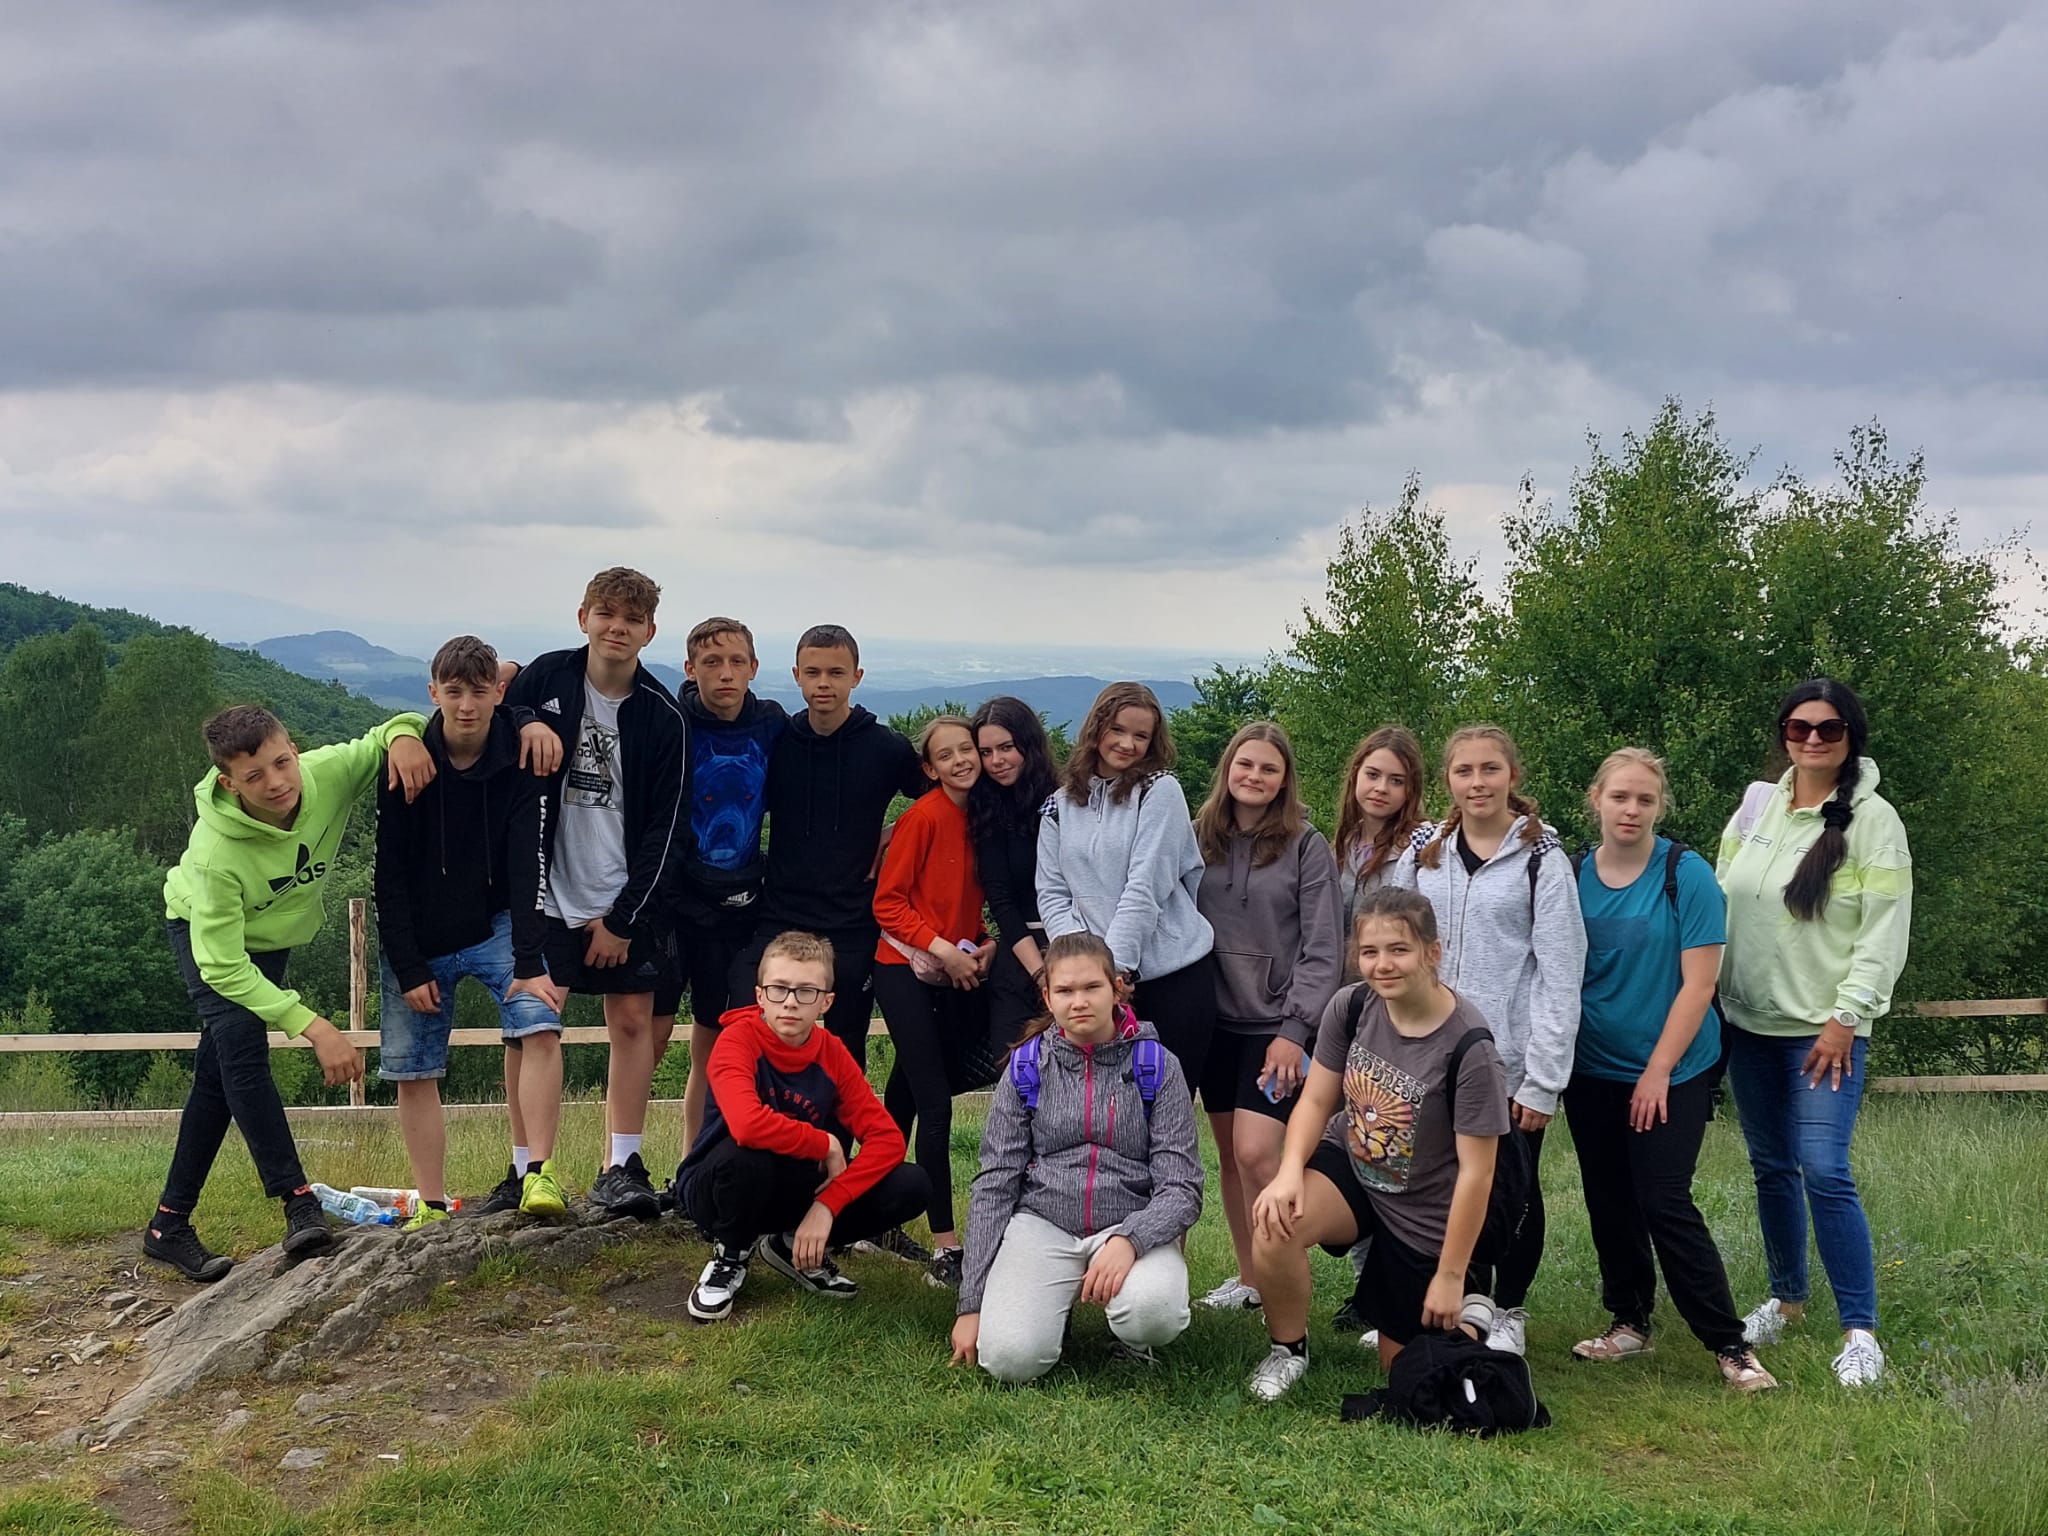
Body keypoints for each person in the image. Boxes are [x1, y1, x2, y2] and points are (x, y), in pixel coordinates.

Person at [142, 704, 433, 1281]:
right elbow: (222, 966)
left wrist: (404, 737)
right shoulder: (216, 852)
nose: (276, 782)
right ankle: (299, 1203)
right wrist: (314, 1026)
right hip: (210, 942)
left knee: (217, 1076)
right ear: (230, 783)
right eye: (254, 776)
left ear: (294, 750)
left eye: (281, 763)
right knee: (242, 1051)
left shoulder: (326, 773)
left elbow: (390, 729)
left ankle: (167, 1225)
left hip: (270, 940)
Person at [1717, 679, 1911, 1388]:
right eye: (1799, 727)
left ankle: (1861, 1332)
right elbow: (1721, 895)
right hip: (1746, 1025)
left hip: (1825, 1033)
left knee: (1824, 1169)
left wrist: (1846, 1018)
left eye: (1829, 728)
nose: (1813, 739)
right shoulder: (1757, 806)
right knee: (1771, 1167)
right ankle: (1787, 1300)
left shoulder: (1875, 822)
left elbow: (1884, 933)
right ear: (1784, 735)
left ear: (1850, 736)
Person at [1564, 749, 1776, 1391]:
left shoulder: (1687, 875)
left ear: (1660, 807)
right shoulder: (1570, 874)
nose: (1631, 810)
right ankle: (1629, 1322)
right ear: (1596, 800)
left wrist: (1657, 1070)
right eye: (1619, 797)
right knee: (1608, 1198)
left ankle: (1729, 1344)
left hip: (1674, 1069)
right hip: (1591, 1069)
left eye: (1645, 800)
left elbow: (1699, 984)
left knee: (1664, 1199)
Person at [1245, 888, 1508, 1402]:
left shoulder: (1470, 1048)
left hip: (1424, 1210)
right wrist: (1289, 1171)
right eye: (1369, 952)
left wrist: (1449, 1274)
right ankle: (1288, 1350)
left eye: (1399, 950)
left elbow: (1478, 1174)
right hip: (1356, 1167)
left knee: (1405, 1370)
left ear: (1433, 952)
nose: (1382, 965)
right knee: (1275, 1223)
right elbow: (1316, 1100)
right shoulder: (1352, 1005)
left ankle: (1473, 1300)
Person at [1387, 724, 1586, 1357]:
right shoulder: (1423, 854)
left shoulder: (1541, 861)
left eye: (1490, 769)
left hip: (1506, 1061)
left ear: (1512, 776)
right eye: (1464, 771)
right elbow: (1392, 945)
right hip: (1425, 1052)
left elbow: (1560, 974)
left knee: (1510, 1190)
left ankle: (1508, 1308)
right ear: (1448, 780)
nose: (1477, 783)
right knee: (1430, 1184)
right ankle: (1435, 1301)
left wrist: (1543, 1080)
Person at [506, 566, 688, 1220]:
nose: (617, 628)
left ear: (649, 631)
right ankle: (525, 1172)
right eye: (606, 614)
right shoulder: (546, 678)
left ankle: (622, 1164)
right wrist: (524, 719)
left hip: (620, 900)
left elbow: (666, 830)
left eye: (632, 619)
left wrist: (623, 920)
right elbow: (501, 714)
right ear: (584, 616)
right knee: (529, 1030)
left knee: (633, 1022)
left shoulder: (663, 716)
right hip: (545, 894)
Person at [374, 637, 568, 1229]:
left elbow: (529, 861)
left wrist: (530, 959)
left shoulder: (520, 755)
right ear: (433, 692)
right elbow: (388, 875)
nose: (466, 705)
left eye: (479, 692)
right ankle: (430, 1204)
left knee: (540, 1023)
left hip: (497, 923)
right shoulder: (406, 759)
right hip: (420, 934)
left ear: (498, 693)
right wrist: (408, 967)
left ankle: (539, 1174)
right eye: (454, 692)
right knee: (414, 1068)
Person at [950, 933, 1202, 1382]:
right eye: (1065, 990)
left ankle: (1132, 1337)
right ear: (1048, 997)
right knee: (1009, 1361)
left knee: (1155, 1312)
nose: (1079, 1001)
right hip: (1044, 1220)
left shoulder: (1158, 1066)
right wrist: (971, 1304)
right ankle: (1051, 1309)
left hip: (1127, 1220)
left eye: (1092, 987)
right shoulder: (1026, 1067)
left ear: (1117, 989)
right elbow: (995, 1183)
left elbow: (1182, 1188)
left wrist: (1131, 1239)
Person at [676, 931, 932, 1322]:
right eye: (779, 989)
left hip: (794, 1186)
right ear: (760, 995)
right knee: (747, 1155)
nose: (791, 1002)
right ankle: (730, 1255)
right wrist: (825, 1144)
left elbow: (887, 1140)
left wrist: (828, 1205)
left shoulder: (832, 1052)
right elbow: (746, 1125)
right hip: (719, 1187)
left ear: (826, 1001)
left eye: (806, 992)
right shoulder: (736, 1040)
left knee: (912, 1185)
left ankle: (792, 1245)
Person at [1191, 723, 1343, 1315]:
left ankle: (1282, 1274)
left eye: (1269, 769)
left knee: (1259, 1154)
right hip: (1213, 1021)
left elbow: (1324, 947)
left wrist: (1294, 1031)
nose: (1254, 776)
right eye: (1245, 764)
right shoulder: (1198, 837)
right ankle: (1250, 1278)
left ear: (1284, 780)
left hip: (1274, 1026)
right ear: (1228, 768)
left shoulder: (1306, 845)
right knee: (1231, 1157)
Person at [730, 625, 929, 1075]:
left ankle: (839, 1124)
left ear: (857, 676)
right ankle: (765, 1121)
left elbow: (939, 797)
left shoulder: (885, 748)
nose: (824, 683)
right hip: (779, 913)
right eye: (813, 672)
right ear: (796, 675)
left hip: (853, 920)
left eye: (836, 673)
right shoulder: (778, 743)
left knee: (844, 1046)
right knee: (749, 1025)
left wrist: (899, 829)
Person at [1036, 681, 1217, 1091]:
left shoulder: (1160, 791)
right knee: (1100, 1111)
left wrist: (1114, 969)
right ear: (1096, 728)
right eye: (1117, 730)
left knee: (1166, 1113)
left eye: (1141, 735)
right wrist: (1081, 968)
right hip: (1095, 987)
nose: (1127, 744)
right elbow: (1052, 894)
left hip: (1171, 981)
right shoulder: (1058, 805)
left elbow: (1145, 887)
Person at [872, 715, 996, 1289]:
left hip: (952, 970)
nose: (960, 761)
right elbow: (888, 903)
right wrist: (945, 949)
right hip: (903, 968)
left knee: (902, 1096)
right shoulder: (922, 818)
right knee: (935, 1102)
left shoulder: (983, 816)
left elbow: (970, 902)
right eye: (945, 755)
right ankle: (947, 1246)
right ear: (929, 768)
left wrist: (986, 944)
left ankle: (874, 1214)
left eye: (966, 749)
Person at [668, 617, 789, 1158]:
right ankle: (628, 1164)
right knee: (647, 1037)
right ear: (690, 669)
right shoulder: (673, 723)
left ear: (753, 668)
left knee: (719, 1043)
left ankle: (702, 1160)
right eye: (711, 662)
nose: (725, 673)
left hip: (742, 904)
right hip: (676, 901)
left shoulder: (771, 725)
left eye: (737, 661)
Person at [968, 696, 1062, 1045]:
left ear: (1028, 745)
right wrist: (1040, 973)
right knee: (1013, 1063)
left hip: (1075, 950)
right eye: (986, 752)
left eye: (1006, 747)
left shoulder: (1066, 801)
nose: (996, 761)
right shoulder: (987, 810)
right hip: (1019, 954)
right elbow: (1001, 900)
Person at [1332, 726, 1429, 979]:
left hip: (1392, 986)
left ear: (1411, 789)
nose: (1381, 788)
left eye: (1396, 781)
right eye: (1373, 775)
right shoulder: (1343, 846)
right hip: (1339, 992)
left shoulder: (1420, 850)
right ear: (1356, 775)